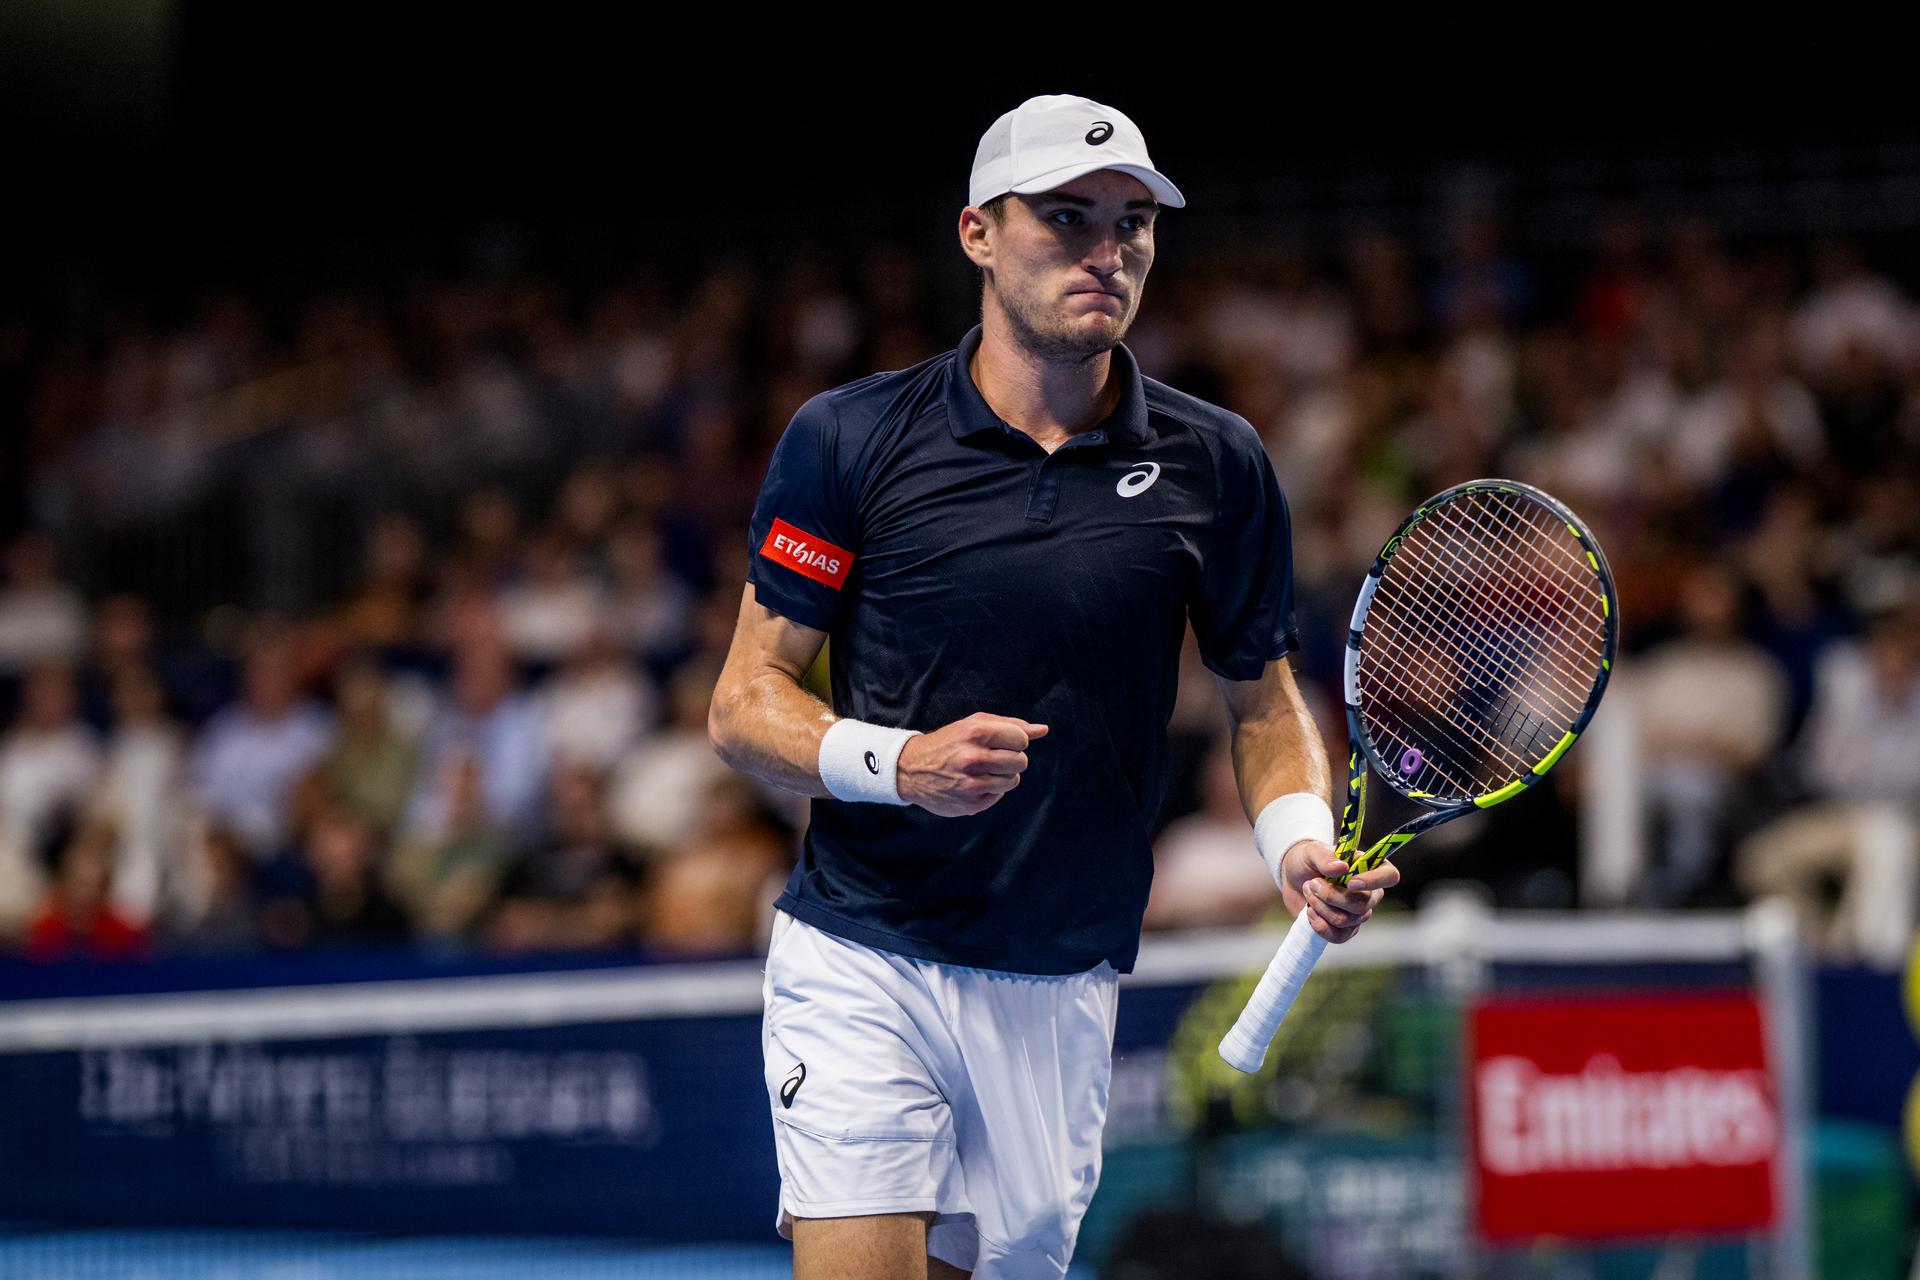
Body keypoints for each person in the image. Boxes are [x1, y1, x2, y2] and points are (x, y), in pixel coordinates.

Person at [708, 95, 1396, 1280]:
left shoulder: (1218, 463)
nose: (1107, 248)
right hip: (867, 947)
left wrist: (1295, 839)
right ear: (978, 232)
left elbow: (1260, 694)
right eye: (1067, 216)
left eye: (1132, 223)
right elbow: (744, 704)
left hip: (1060, 982)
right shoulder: (848, 439)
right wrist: (900, 764)